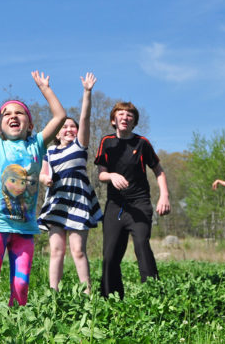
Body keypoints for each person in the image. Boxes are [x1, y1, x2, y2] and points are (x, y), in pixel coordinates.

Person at [0, 60, 66, 323]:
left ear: (29, 125)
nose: (13, 116)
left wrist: (46, 89)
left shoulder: (37, 145)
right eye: (7, 114)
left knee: (20, 286)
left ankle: (12, 329)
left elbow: (60, 117)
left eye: (19, 113)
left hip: (25, 229)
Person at [95, 101, 170, 299]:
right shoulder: (106, 142)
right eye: (121, 114)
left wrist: (164, 195)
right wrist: (111, 176)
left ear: (134, 121)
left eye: (129, 115)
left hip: (140, 204)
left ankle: (153, 296)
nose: (125, 117)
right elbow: (101, 174)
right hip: (115, 206)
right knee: (110, 255)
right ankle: (110, 298)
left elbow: (158, 171)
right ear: (114, 119)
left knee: (141, 246)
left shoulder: (142, 143)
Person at [38, 72, 103, 292]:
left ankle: (87, 293)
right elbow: (42, 173)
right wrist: (45, 179)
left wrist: (87, 92)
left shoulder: (79, 146)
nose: (68, 129)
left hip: (78, 202)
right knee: (56, 251)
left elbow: (84, 118)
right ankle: (53, 292)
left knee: (78, 250)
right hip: (57, 202)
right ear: (57, 133)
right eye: (64, 127)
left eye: (71, 127)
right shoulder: (50, 151)